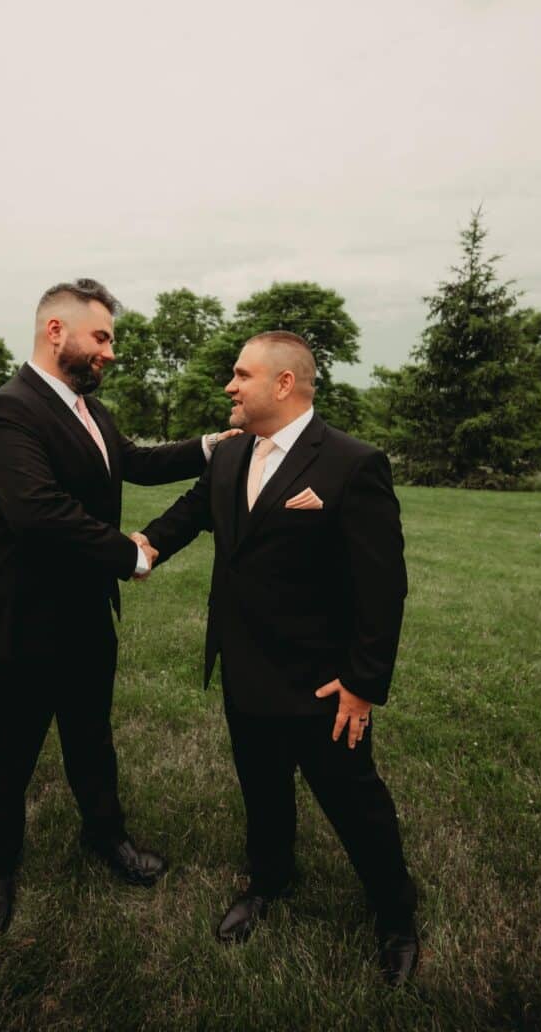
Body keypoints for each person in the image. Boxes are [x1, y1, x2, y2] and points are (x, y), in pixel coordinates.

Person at [139, 330, 419, 986]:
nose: (229, 387)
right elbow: (184, 516)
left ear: (284, 384)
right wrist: (139, 548)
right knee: (262, 793)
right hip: (244, 669)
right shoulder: (232, 456)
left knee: (356, 804)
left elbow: (383, 588)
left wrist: (362, 684)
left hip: (322, 685)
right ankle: (268, 882)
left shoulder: (352, 464)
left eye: (241, 375)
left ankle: (396, 914)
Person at [0, 278, 232, 936]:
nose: (111, 352)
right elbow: (35, 512)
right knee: (10, 747)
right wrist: (129, 553)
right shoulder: (10, 409)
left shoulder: (92, 411)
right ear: (56, 331)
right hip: (23, 614)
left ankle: (106, 836)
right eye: (102, 336)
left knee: (91, 733)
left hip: (86, 611)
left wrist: (208, 447)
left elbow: (133, 463)